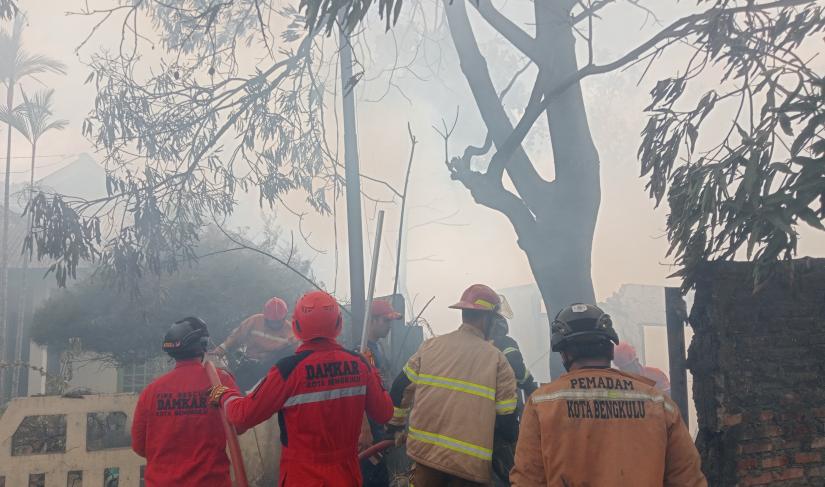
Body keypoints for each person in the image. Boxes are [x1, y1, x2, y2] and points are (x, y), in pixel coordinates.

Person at [210, 290, 394, 486]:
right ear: (339, 325)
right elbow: (384, 413)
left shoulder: (287, 370)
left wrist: (224, 394)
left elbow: (242, 416)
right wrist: (372, 372)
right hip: (346, 476)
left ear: (296, 327)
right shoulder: (360, 364)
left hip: (302, 477)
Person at [510, 304, 707, 487]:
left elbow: (528, 479)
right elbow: (687, 478)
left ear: (564, 354)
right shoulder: (659, 403)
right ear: (610, 349)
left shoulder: (542, 404)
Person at [389, 284, 519, 487]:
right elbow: (508, 422)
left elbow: (399, 388)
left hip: (424, 458)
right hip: (469, 469)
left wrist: (395, 427)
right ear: (487, 319)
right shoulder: (497, 361)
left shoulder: (430, 347)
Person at [131, 317, 240, 487]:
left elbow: (139, 445)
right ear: (203, 345)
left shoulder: (151, 392)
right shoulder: (220, 381)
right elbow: (240, 424)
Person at [488, 314, 537, 486]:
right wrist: (531, 386)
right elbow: (518, 370)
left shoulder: (478, 346)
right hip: (502, 420)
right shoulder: (506, 343)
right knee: (512, 471)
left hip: (476, 419)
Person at [360, 299, 403, 487]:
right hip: (370, 431)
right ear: (373, 320)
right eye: (386, 321)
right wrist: (365, 429)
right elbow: (359, 394)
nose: (389, 326)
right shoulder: (363, 351)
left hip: (380, 425)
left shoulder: (378, 347)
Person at [215, 296, 296, 390]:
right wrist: (222, 348)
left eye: (278, 321)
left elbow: (292, 356)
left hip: (271, 371)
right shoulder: (255, 320)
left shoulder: (290, 332)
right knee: (233, 387)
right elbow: (237, 335)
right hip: (248, 366)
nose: (275, 324)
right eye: (271, 321)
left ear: (284, 317)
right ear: (265, 316)